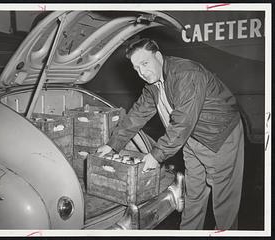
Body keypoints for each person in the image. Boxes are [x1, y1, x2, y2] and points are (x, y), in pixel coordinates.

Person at [97, 38, 244, 230]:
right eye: (136, 68)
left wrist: (156, 155)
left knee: (224, 199)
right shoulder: (153, 85)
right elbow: (136, 115)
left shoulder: (186, 74)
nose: (142, 72)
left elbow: (182, 123)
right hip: (191, 138)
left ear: (158, 56)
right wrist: (112, 145)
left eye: (145, 63)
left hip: (219, 136)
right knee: (193, 193)